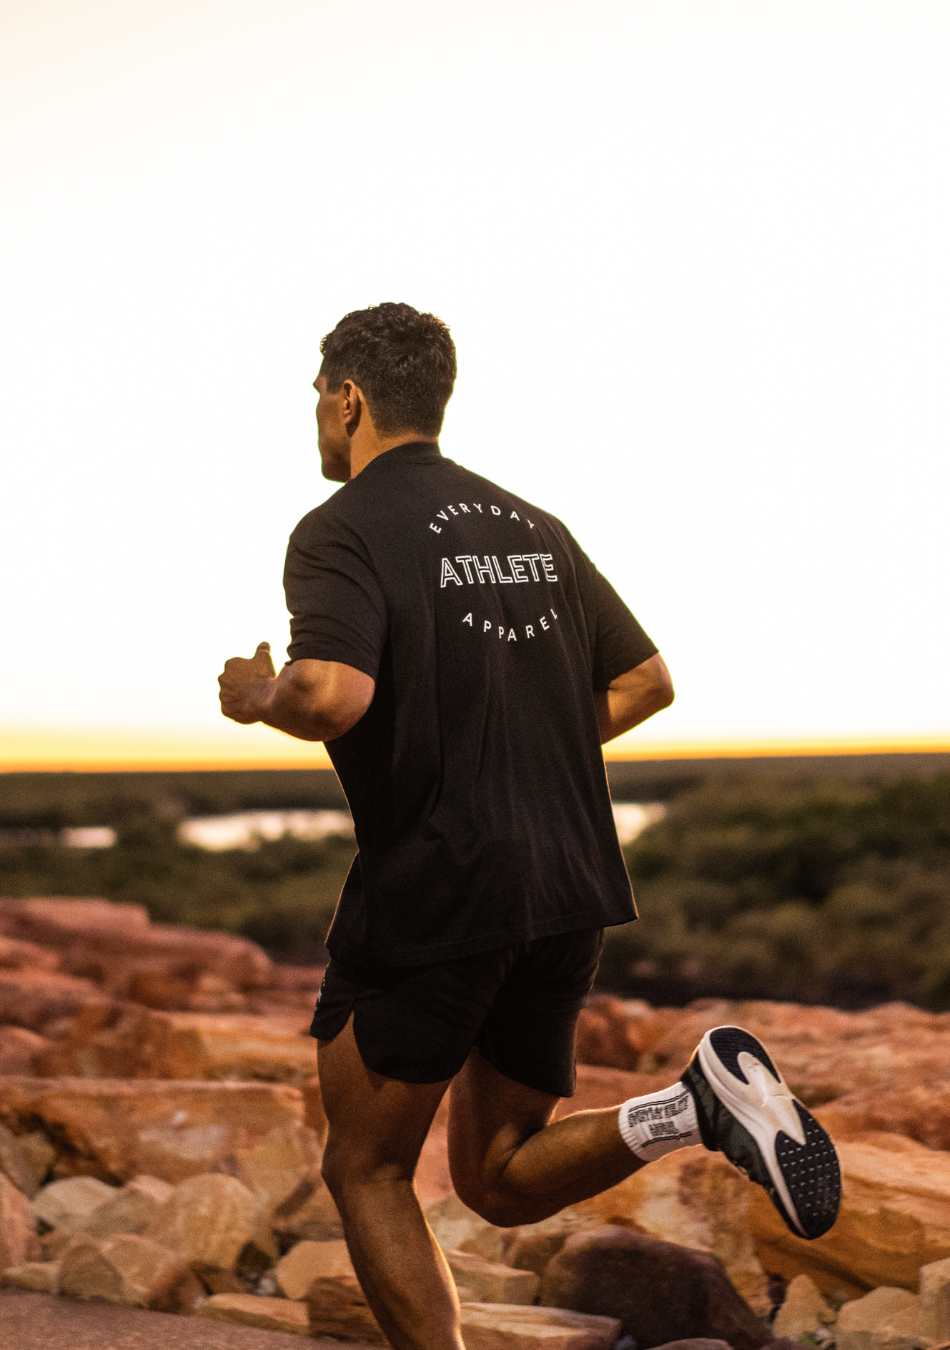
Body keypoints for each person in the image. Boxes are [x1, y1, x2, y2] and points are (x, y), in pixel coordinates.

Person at [218, 303, 840, 1350]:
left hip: (441, 882)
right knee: (497, 1175)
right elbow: (645, 682)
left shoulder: (341, 529)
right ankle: (693, 1109)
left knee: (364, 1166)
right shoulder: (531, 527)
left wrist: (259, 693)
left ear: (348, 397)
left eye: (318, 401)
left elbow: (331, 694)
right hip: (568, 881)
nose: (317, 422)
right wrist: (525, 747)